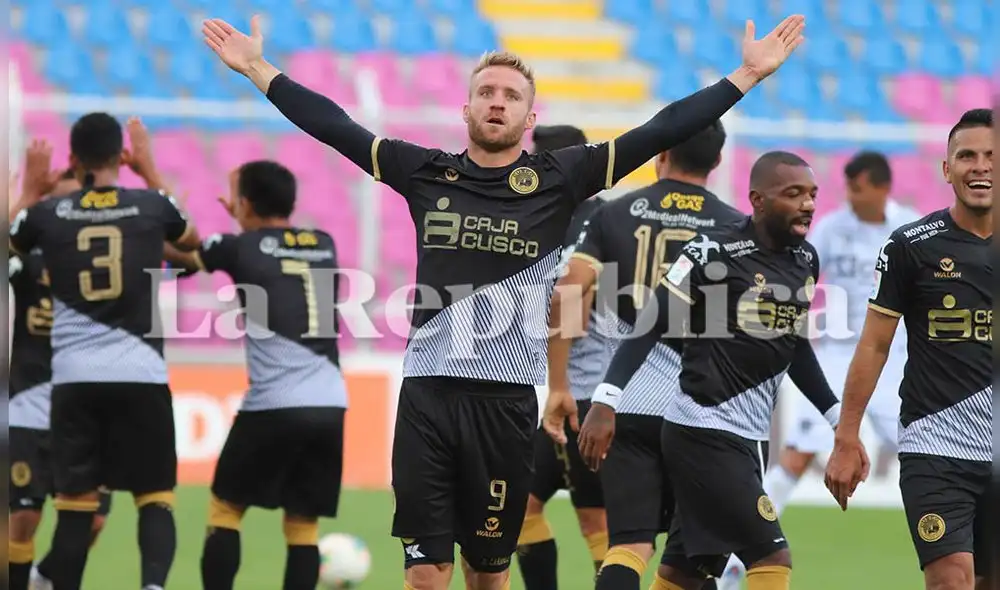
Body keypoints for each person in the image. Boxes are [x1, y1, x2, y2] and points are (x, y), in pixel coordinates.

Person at [201, 13, 805, 589]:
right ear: (466, 108)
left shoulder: (562, 177)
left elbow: (662, 130)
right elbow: (336, 127)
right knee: (424, 573)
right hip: (426, 397)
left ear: (529, 113)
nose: (497, 101)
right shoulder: (424, 172)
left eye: (511, 95)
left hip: (507, 402)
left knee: (489, 573)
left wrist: (746, 76)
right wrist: (259, 70)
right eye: (486, 91)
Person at [579, 151, 845, 590]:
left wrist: (837, 419)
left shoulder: (806, 260)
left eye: (813, 194)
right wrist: (607, 398)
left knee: (684, 572)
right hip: (702, 430)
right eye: (793, 193)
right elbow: (651, 321)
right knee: (771, 555)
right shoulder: (710, 250)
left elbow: (792, 345)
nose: (808, 204)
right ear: (757, 199)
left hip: (749, 437)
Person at [8, 113, 201, 590]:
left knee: (77, 511)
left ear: (71, 159)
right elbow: (193, 245)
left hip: (74, 382)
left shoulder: (48, 217)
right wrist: (151, 169)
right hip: (141, 374)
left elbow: (13, 239)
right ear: (122, 156)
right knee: (155, 497)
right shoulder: (150, 207)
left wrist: (31, 188)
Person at [545, 120, 740, 590]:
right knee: (692, 555)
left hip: (625, 399)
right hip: (701, 405)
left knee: (628, 545)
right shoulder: (736, 225)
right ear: (716, 162)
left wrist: (558, 385)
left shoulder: (614, 213)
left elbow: (568, 293)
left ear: (660, 154)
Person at [717, 151, 921, 588]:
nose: (849, 196)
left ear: (881, 188)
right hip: (836, 352)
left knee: (925, 454)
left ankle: (960, 547)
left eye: (857, 188)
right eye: (846, 188)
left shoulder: (908, 229)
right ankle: (735, 563)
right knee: (796, 453)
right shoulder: (832, 227)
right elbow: (798, 265)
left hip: (895, 357)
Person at [826, 109, 993, 590]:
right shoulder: (910, 246)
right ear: (946, 169)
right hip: (936, 446)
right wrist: (847, 435)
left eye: (990, 157)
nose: (980, 166)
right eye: (966, 156)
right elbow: (875, 343)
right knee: (950, 580)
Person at [165, 161, 346, 590]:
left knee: (226, 509)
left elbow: (182, 252)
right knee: (302, 527)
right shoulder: (325, 242)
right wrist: (245, 225)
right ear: (292, 202)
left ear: (243, 203)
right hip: (331, 403)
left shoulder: (239, 247)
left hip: (275, 404)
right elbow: (271, 250)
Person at [516, 124, 609, 590]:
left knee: (599, 527)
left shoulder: (579, 223)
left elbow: (576, 304)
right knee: (520, 510)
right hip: (577, 393)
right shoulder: (601, 216)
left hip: (585, 395)